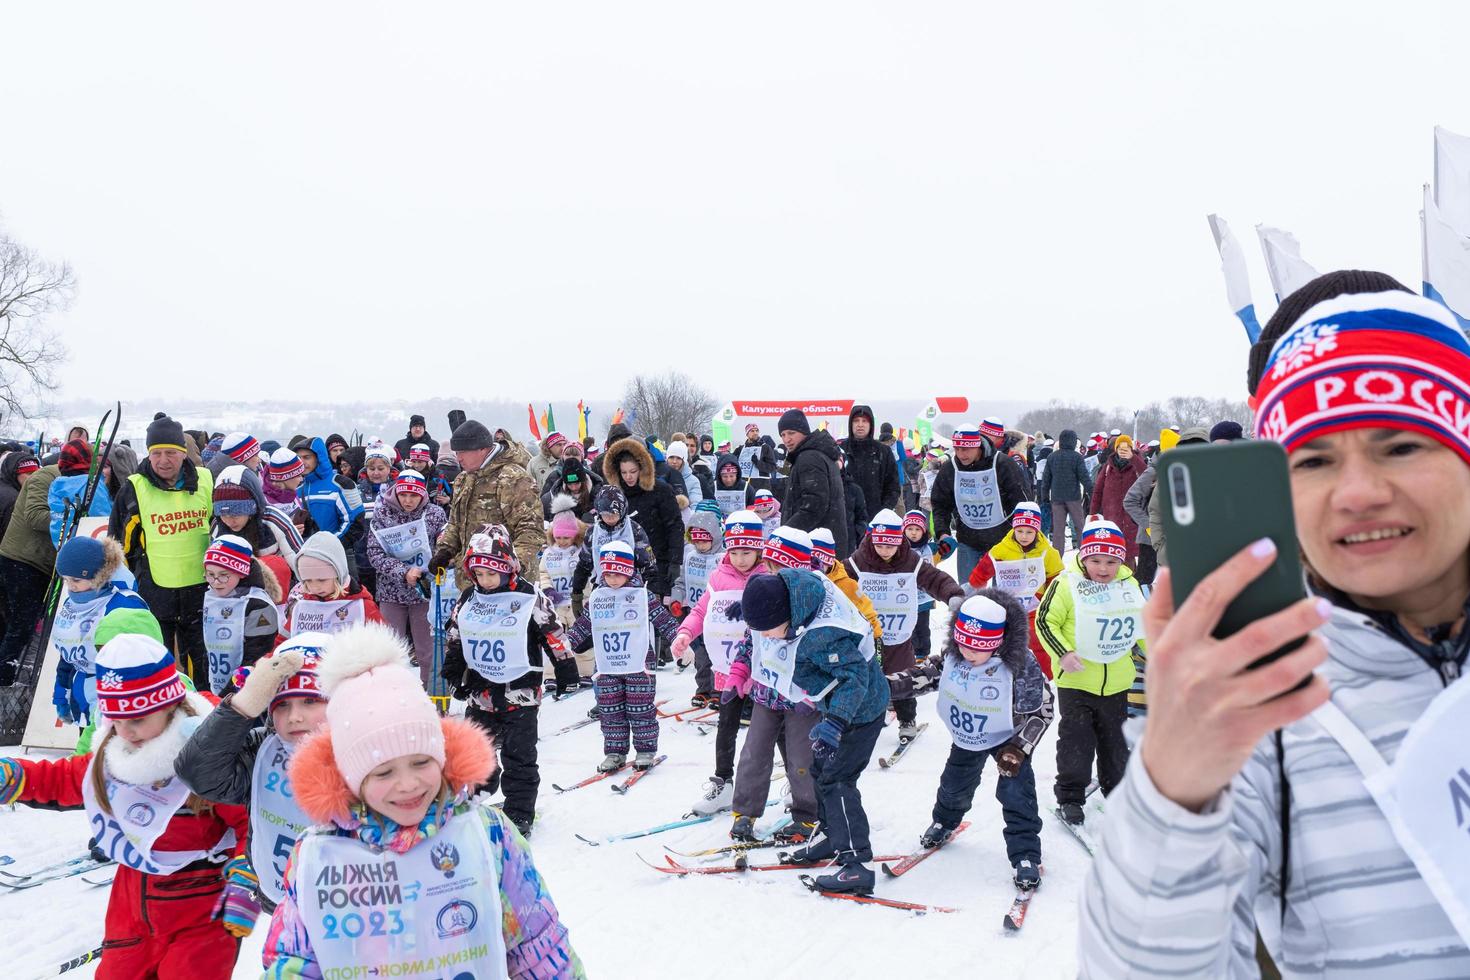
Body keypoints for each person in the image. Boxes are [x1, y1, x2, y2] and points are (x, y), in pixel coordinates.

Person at [1079, 275, 1470, 977]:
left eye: (1401, 446)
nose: (1356, 493)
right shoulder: (1258, 703)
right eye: (1314, 460)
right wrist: (1172, 795)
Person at [260, 623, 584, 977]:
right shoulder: (320, 854)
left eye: (421, 762)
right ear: (352, 777)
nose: (408, 784)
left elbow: (536, 942)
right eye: (383, 773)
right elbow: (295, 962)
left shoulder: (487, 835)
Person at [0, 635, 250, 978]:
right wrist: (14, 776)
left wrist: (246, 877)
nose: (126, 733)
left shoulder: (206, 757)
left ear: (171, 707)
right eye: (116, 721)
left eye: (137, 721)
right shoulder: (115, 754)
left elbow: (250, 824)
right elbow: (64, 780)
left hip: (201, 911)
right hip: (132, 909)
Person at [743, 567, 887, 894]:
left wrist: (836, 724)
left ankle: (857, 863)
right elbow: (766, 594)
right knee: (821, 770)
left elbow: (855, 680)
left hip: (860, 713)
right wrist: (751, 613)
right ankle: (830, 836)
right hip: (836, 707)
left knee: (838, 780)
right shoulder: (794, 600)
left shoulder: (824, 635)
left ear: (787, 616)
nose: (765, 637)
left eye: (768, 629)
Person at [908, 591, 1052, 892]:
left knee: (1016, 793)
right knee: (954, 783)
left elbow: (1043, 709)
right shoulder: (956, 654)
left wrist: (1019, 748)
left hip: (1008, 738)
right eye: (963, 643)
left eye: (977, 647)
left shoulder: (1020, 663)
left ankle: (1025, 854)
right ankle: (944, 822)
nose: (968, 652)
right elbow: (928, 675)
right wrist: (892, 686)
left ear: (997, 642)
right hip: (969, 734)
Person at [174, 638, 328, 916]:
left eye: (310, 701)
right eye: (282, 706)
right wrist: (242, 707)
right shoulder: (263, 749)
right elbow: (199, 773)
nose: (295, 716)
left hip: (354, 906)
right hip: (284, 905)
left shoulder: (361, 750)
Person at [440, 529, 560, 836]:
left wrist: (566, 667)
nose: (485, 580)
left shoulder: (528, 596)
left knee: (519, 757)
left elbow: (552, 632)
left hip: (520, 694)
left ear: (507, 568)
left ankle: (519, 812)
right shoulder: (470, 597)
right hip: (480, 692)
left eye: (491, 573)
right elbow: (456, 634)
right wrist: (453, 670)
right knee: (474, 751)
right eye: (478, 573)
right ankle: (475, 795)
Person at [1036, 518, 1144, 824]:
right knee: (1076, 739)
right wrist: (1063, 653)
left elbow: (1142, 626)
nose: (1103, 568)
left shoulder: (1128, 584)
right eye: (1095, 560)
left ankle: (1117, 790)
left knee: (1114, 742)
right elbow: (1046, 622)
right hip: (1077, 680)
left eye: (1111, 561)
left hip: (1119, 681)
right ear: (1083, 556)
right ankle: (1070, 795)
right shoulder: (1066, 584)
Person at [671, 510, 770, 818]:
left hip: (764, 673)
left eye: (747, 552)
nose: (741, 559)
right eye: (735, 551)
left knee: (770, 730)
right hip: (728, 670)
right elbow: (702, 610)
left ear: (759, 549)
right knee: (726, 727)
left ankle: (796, 782)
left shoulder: (768, 575)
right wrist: (686, 632)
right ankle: (723, 782)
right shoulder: (718, 576)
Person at [110, 413, 216, 689]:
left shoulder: (205, 480)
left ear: (183, 454)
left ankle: (204, 712)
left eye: (171, 452)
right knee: (158, 660)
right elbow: (120, 542)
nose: (163, 460)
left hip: (203, 588)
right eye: (156, 453)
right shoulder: (135, 487)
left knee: (202, 661)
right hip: (156, 588)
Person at [564, 540, 682, 772]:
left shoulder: (642, 595)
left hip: (639, 663)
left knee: (640, 710)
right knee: (610, 711)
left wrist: (680, 642)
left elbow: (663, 620)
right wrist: (567, 643)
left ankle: (645, 749)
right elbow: (583, 625)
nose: (613, 579)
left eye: (618, 573)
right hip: (608, 664)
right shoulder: (598, 597)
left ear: (629, 570)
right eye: (608, 573)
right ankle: (615, 751)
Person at [846, 509, 964, 740]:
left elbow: (933, 578)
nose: (885, 551)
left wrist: (952, 594)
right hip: (867, 635)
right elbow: (838, 580)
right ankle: (863, 718)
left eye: (890, 546)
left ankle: (907, 718)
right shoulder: (859, 560)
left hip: (899, 633)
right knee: (865, 676)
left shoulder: (909, 559)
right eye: (880, 546)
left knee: (902, 677)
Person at [49, 535, 149, 737]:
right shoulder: (74, 603)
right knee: (86, 756)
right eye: (66, 580)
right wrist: (61, 694)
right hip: (82, 697)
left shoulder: (123, 604)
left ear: (98, 576)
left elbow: (144, 656)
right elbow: (68, 658)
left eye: (76, 580)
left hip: (116, 698)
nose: (71, 586)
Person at [430, 420, 544, 583]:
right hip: (473, 580)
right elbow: (455, 523)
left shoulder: (512, 478)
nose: (458, 458)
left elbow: (531, 529)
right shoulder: (463, 478)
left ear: (482, 449)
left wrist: (511, 567)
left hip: (508, 583)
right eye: (456, 452)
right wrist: (444, 552)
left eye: (462, 451)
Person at [367, 470, 447, 685]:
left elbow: (446, 543)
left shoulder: (435, 514)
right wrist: (403, 572)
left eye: (414, 495)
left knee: (428, 651)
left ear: (422, 495)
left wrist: (441, 552)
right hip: (391, 592)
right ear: (396, 493)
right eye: (403, 495)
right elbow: (374, 553)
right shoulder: (382, 514)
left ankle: (434, 699)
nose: (408, 500)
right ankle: (392, 697)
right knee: (389, 652)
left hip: (425, 592)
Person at [967, 501, 1064, 679]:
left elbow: (1056, 577)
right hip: (1008, 605)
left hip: (1036, 605)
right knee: (1006, 639)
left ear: (1037, 531)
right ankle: (1004, 673)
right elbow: (985, 568)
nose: (1024, 536)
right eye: (1020, 531)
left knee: (1037, 640)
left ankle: (1044, 677)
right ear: (1013, 529)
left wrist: (1051, 597)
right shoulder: (1003, 549)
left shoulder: (1046, 552)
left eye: (1029, 532)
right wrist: (975, 582)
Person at [931, 420, 1031, 586]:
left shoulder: (1003, 464)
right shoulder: (951, 468)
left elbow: (1022, 500)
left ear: (978, 446)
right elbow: (940, 503)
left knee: (1003, 597)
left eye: (966, 449)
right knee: (968, 595)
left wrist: (1021, 532)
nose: (961, 454)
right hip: (968, 540)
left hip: (1003, 539)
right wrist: (943, 532)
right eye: (957, 449)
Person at [0, 447, 61, 684]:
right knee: (19, 624)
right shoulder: (11, 497)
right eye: (24, 474)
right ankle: (6, 679)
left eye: (32, 472)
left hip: (17, 560)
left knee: (16, 623)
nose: (29, 477)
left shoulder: (13, 492)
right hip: (20, 561)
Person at [601, 433, 684, 603]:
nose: (628, 477)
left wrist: (675, 561)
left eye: (633, 471)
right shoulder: (614, 495)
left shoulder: (661, 490)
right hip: (622, 566)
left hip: (658, 563)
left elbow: (674, 526)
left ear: (642, 468)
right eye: (624, 472)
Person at [200, 534, 283, 695]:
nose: (216, 582)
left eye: (224, 575)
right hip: (216, 686)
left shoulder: (258, 605)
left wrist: (229, 694)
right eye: (210, 574)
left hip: (247, 693)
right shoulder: (211, 596)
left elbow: (257, 655)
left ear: (241, 572)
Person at [209, 463, 303, 597]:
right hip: (236, 593)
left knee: (272, 563)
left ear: (252, 508)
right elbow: (213, 566)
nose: (230, 521)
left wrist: (309, 586)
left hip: (278, 590)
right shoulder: (218, 527)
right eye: (223, 515)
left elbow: (296, 556)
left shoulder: (273, 519)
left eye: (236, 514)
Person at [280, 532, 384, 637]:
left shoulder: (362, 606)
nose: (315, 587)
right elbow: (282, 641)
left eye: (322, 580)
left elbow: (384, 642)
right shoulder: (302, 607)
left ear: (338, 575)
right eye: (308, 581)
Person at [778, 408, 850, 558]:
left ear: (804, 432)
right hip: (825, 542)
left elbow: (814, 506)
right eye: (783, 435)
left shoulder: (809, 458)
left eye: (791, 433)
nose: (786, 440)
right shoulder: (819, 454)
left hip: (814, 547)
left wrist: (783, 535)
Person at [671, 508, 725, 707]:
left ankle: (719, 691)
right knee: (701, 657)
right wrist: (677, 600)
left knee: (717, 657)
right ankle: (703, 689)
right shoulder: (691, 557)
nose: (700, 545)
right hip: (696, 614)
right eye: (697, 541)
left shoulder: (723, 558)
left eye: (705, 540)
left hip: (718, 616)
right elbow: (681, 582)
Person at [1142, 425, 1208, 568]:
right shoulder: (1171, 478)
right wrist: (1160, 545)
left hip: (1210, 556)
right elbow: (1155, 511)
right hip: (1175, 555)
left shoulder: (1217, 476)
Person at [1091, 434, 1148, 565]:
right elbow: (1098, 490)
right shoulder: (1108, 467)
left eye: (1126, 447)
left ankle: (1131, 579)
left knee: (1129, 553)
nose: (1123, 450)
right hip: (1112, 515)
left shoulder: (1137, 463)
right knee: (1112, 549)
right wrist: (1093, 513)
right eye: (1120, 447)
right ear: (1115, 449)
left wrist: (1132, 458)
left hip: (1131, 516)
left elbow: (1147, 475)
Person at [47, 437, 111, 546]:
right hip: (90, 551)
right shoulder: (90, 486)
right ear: (88, 460)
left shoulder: (56, 486)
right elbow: (104, 521)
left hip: (64, 550)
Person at [1038, 429, 1092, 553]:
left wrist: (1044, 497)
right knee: (1080, 527)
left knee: (1058, 530)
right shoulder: (1077, 457)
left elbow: (1046, 480)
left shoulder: (1052, 457)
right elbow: (1084, 477)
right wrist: (1092, 492)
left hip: (1056, 498)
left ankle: (1057, 558)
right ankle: (1085, 553)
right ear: (1074, 442)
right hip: (1074, 498)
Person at [840, 405, 900, 515]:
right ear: (851, 424)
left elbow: (893, 487)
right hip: (846, 519)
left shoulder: (883, 452)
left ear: (871, 424)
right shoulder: (840, 451)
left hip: (875, 518)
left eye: (865, 421)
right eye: (856, 421)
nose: (860, 425)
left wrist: (884, 512)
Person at [737, 422, 779, 491]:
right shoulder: (741, 449)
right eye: (752, 431)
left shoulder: (765, 447)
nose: (755, 433)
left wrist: (757, 463)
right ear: (747, 434)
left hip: (762, 485)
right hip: (744, 485)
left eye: (757, 430)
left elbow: (772, 468)